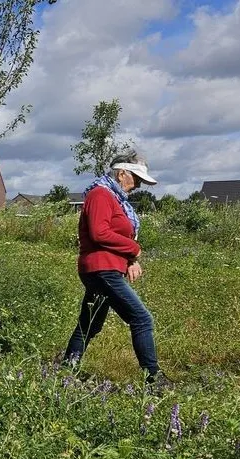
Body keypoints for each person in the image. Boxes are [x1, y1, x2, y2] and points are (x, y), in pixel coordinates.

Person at [61, 151, 169, 385]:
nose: (138, 184)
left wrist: (130, 260)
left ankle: (65, 372)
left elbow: (113, 234)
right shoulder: (100, 195)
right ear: (121, 174)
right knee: (141, 319)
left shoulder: (115, 198)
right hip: (102, 269)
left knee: (89, 324)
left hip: (106, 268)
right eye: (136, 178)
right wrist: (134, 248)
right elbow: (99, 233)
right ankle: (154, 379)